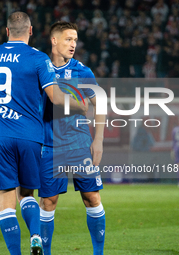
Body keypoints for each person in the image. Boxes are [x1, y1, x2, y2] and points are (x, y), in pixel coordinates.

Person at [0, 12, 86, 255]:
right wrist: (80, 103)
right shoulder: (39, 59)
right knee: (28, 194)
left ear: (7, 31)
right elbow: (54, 97)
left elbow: (5, 93)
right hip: (30, 135)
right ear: (30, 31)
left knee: (6, 202)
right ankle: (36, 236)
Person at [38, 21, 106, 255]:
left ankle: (99, 253)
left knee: (92, 197)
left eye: (75, 40)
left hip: (79, 144)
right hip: (50, 145)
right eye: (68, 39)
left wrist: (98, 141)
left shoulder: (82, 71)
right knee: (48, 202)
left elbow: (100, 103)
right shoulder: (39, 68)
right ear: (54, 40)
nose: (73, 44)